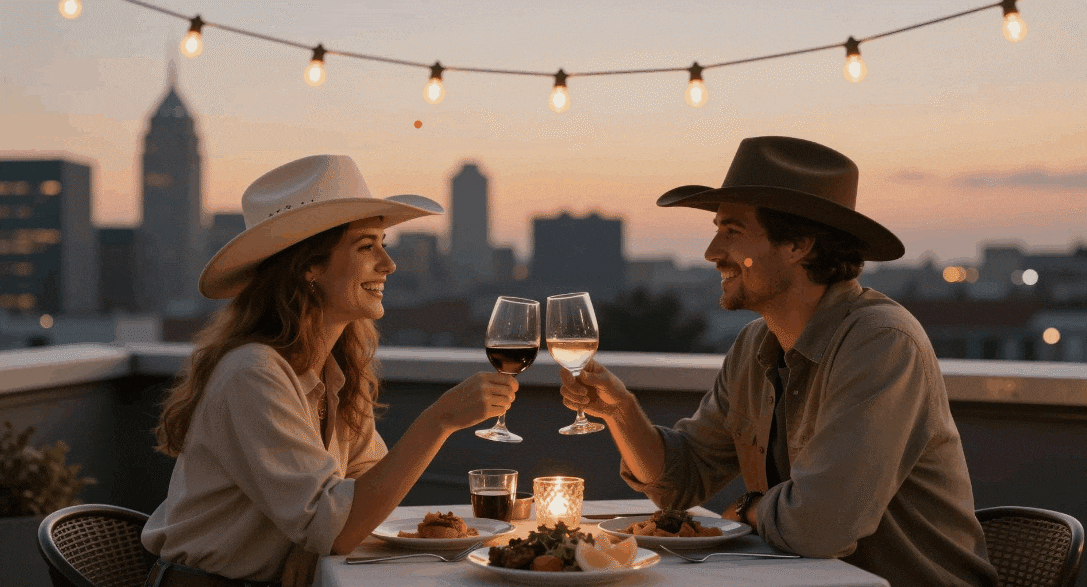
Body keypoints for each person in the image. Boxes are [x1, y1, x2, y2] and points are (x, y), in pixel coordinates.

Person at [560, 136, 998, 587]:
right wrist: (620, 411)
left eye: (732, 231)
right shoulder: (755, 344)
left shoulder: (881, 343)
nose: (712, 252)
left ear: (798, 244)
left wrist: (748, 507)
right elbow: (680, 483)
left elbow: (820, 528)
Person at [142, 155, 519, 587]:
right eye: (366, 247)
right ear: (309, 265)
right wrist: (440, 419)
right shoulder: (253, 373)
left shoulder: (334, 370)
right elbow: (340, 525)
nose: (388, 264)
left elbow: (362, 488)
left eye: (383, 244)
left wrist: (311, 542)